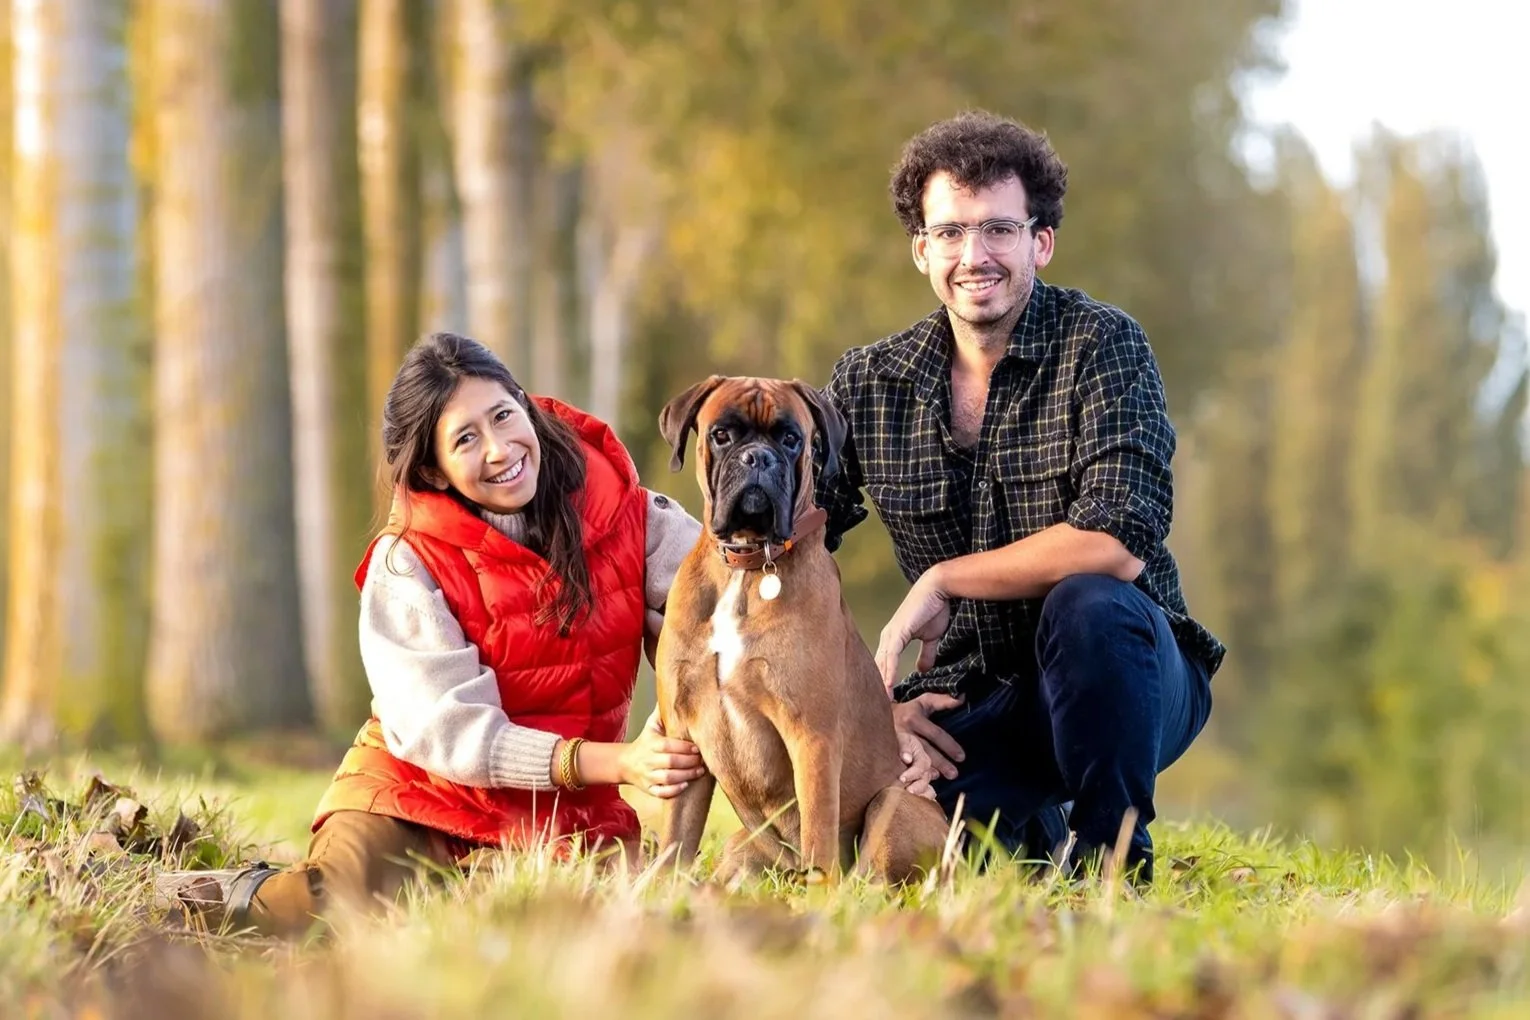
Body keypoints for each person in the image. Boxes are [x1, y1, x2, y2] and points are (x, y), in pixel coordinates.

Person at [157, 332, 705, 936]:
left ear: (524, 404)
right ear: (432, 471)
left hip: (566, 814)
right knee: (334, 908)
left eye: (503, 415)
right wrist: (620, 761)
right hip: (421, 796)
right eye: (465, 439)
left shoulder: (629, 513)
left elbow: (725, 611)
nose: (499, 448)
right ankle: (203, 893)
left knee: (571, 933)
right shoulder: (405, 563)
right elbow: (452, 732)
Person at [812, 111, 1222, 884]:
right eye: (950, 232)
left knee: (1088, 602)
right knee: (893, 837)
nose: (975, 256)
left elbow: (1115, 542)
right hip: (978, 694)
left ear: (1041, 242)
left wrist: (944, 579)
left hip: (1132, 676)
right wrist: (875, 709)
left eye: (999, 229)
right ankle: (1033, 830)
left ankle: (1110, 870)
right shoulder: (868, 383)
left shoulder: (1103, 346)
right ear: (921, 250)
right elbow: (798, 547)